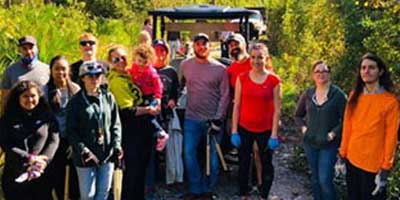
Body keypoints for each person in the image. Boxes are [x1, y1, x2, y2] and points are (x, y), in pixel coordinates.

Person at [339, 53, 399, 200]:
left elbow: (391, 137)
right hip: (352, 159)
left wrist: (385, 168)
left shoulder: (390, 101)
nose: (366, 71)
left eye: (371, 68)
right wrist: (342, 156)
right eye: (363, 68)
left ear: (380, 72)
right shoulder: (354, 96)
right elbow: (347, 128)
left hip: (374, 165)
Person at [180, 33, 230, 200]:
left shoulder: (220, 69)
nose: (201, 47)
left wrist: (218, 118)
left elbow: (225, 96)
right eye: (198, 43)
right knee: (188, 153)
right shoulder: (185, 65)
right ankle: (196, 188)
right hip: (191, 118)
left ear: (210, 46)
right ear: (193, 46)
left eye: (205, 44)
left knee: (214, 159)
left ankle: (208, 189)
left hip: (213, 121)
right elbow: (181, 86)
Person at [230, 43, 281, 200]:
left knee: (266, 164)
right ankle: (244, 193)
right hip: (245, 127)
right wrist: (234, 131)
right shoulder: (242, 78)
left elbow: (277, 110)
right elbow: (237, 105)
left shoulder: (274, 80)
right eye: (253, 57)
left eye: (260, 57)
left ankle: (264, 193)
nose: (256, 61)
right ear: (250, 58)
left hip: (265, 130)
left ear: (266, 59)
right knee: (244, 162)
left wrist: (274, 134)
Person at [66, 61, 122, 200]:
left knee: (103, 193)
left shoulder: (108, 97)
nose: (94, 79)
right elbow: (71, 130)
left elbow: (116, 124)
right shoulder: (75, 102)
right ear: (82, 78)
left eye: (97, 75)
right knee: (87, 195)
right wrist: (83, 150)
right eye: (90, 76)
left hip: (106, 153)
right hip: (85, 156)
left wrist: (116, 145)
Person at [294, 61, 347, 200]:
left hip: (329, 145)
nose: (321, 74)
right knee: (315, 179)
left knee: (325, 180)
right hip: (310, 143)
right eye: (318, 71)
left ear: (329, 74)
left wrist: (334, 133)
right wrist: (304, 128)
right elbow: (297, 115)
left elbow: (347, 119)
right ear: (313, 75)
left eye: (324, 71)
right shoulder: (308, 94)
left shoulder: (338, 95)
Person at [0, 80, 60, 200]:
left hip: (42, 174)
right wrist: (29, 158)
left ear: (39, 96)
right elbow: (6, 144)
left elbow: (54, 140)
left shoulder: (47, 116)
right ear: (18, 98)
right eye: (25, 96)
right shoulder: (7, 119)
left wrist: (43, 161)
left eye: (33, 96)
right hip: (15, 173)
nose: (30, 100)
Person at [125, 44, 168, 200]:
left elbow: (158, 87)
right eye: (138, 61)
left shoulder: (152, 72)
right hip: (138, 98)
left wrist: (157, 99)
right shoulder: (132, 70)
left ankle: (160, 133)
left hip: (148, 97)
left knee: (149, 116)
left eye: (144, 62)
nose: (141, 65)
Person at [43, 55, 81, 200]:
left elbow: (80, 119)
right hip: (52, 141)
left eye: (63, 68)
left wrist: (74, 142)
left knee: (74, 181)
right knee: (57, 180)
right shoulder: (45, 91)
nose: (60, 72)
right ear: (51, 71)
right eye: (56, 69)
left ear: (69, 70)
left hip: (72, 140)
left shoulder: (76, 90)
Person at [152, 39, 182, 186]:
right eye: (156, 50)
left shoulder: (171, 71)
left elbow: (177, 89)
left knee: (167, 144)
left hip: (166, 114)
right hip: (151, 113)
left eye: (162, 50)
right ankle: (153, 176)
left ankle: (169, 176)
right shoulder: (147, 70)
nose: (159, 54)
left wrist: (173, 100)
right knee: (153, 146)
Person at [1, 35, 49, 110]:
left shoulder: (47, 69)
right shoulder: (10, 71)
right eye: (24, 49)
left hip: (43, 115)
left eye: (31, 48)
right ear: (19, 50)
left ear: (37, 48)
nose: (28, 52)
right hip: (18, 116)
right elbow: (5, 99)